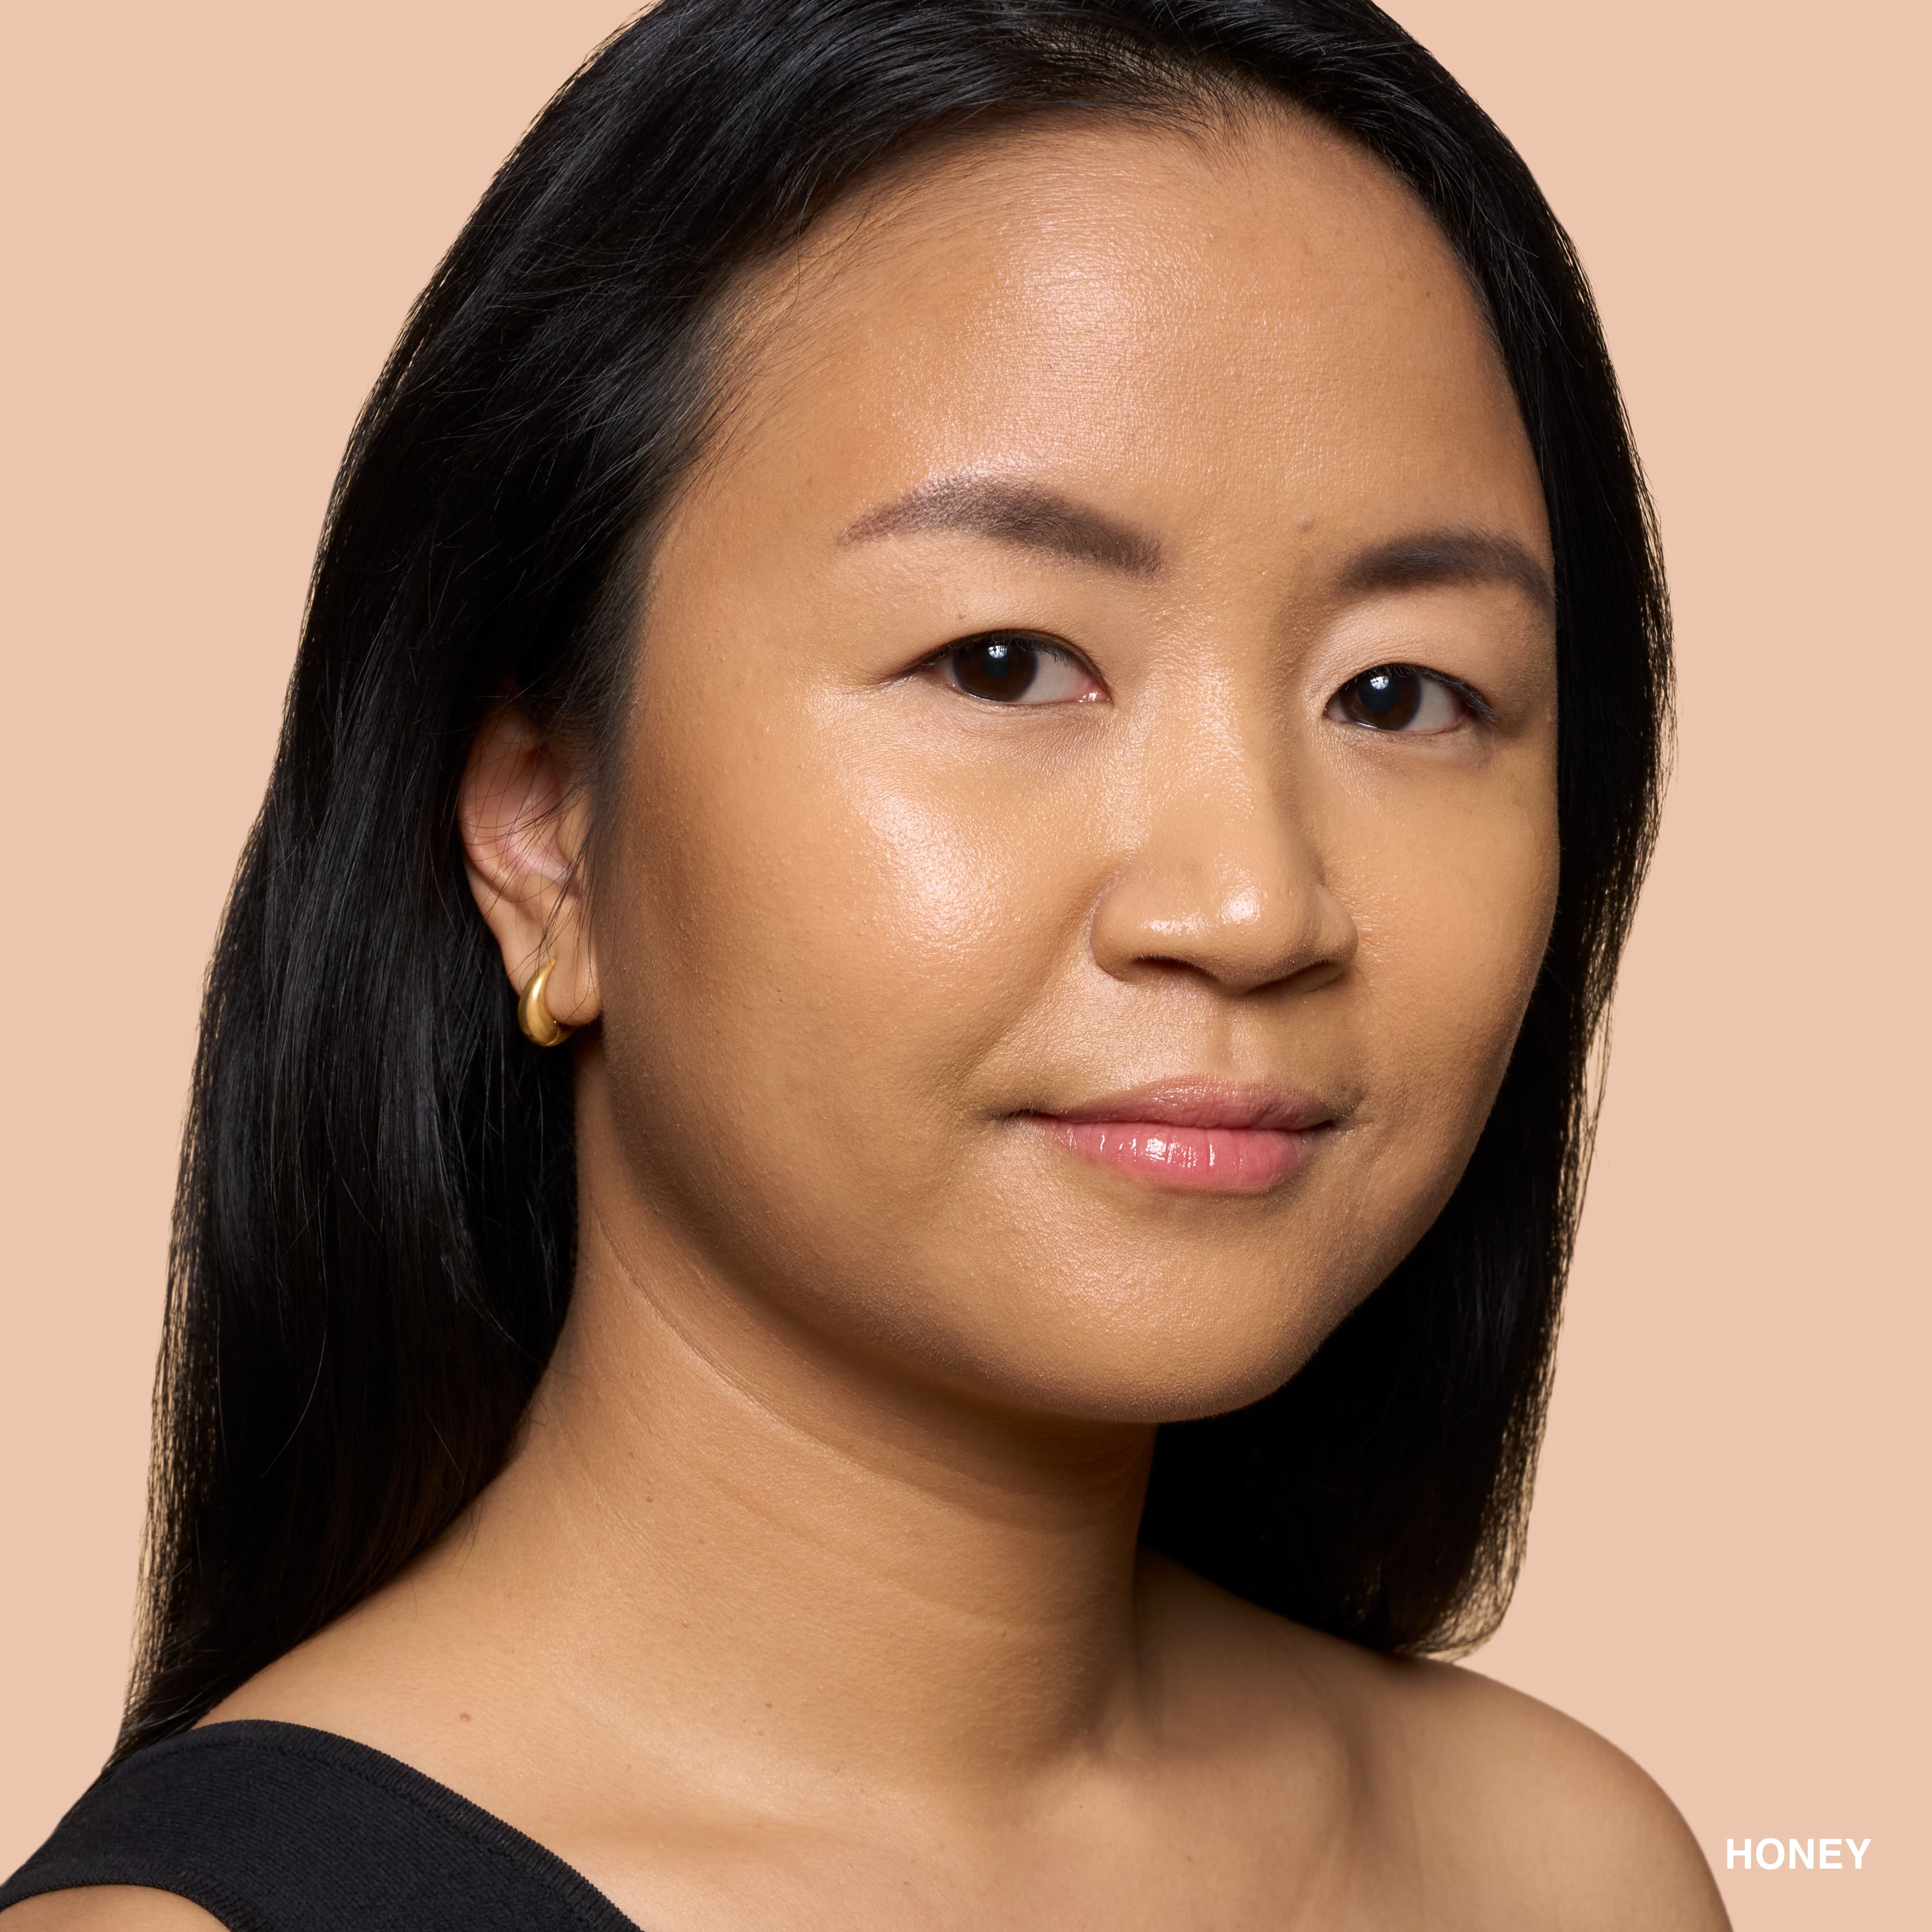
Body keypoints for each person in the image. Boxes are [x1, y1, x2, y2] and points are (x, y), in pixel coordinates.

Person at [1, 0, 1729, 1925]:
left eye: (1400, 694)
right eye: (1002, 662)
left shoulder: (1560, 1865)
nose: (1253, 907)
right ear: (547, 825)